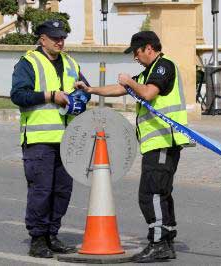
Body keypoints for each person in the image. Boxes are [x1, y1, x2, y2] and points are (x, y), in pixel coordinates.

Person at [75, 31, 189, 263]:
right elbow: (122, 90)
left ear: (148, 48)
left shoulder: (163, 66)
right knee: (161, 193)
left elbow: (146, 92)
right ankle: (165, 241)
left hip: (163, 141)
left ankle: (158, 243)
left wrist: (129, 81)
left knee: (150, 194)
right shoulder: (150, 69)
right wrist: (92, 90)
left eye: (136, 53)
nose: (135, 58)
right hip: (157, 143)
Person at [11, 19, 90, 258]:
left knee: (62, 191)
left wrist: (81, 93)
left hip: (67, 140)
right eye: (55, 37)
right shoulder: (28, 62)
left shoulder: (70, 62)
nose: (60, 41)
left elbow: (85, 90)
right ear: (42, 39)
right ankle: (38, 238)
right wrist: (49, 96)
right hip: (39, 139)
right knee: (42, 190)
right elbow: (18, 95)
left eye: (62, 37)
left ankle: (52, 234)